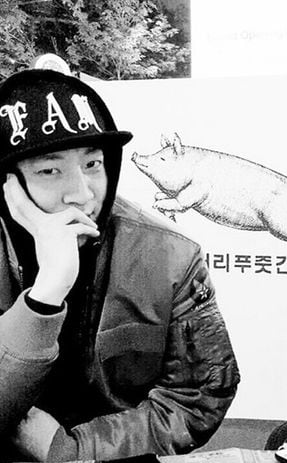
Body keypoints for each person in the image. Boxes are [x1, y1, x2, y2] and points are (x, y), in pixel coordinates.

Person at [0, 69, 240, 461]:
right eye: (49, 170)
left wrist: (70, 451)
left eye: (93, 164)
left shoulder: (169, 256)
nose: (82, 193)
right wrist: (44, 297)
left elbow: (199, 397)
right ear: (6, 183)